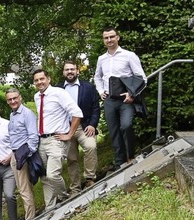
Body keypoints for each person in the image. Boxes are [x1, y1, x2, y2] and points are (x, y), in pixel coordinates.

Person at [94, 27, 147, 169]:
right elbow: (97, 77)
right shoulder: (101, 59)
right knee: (114, 131)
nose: (109, 40)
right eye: (106, 38)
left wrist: (132, 94)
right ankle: (120, 163)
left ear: (118, 37)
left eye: (112, 37)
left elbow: (142, 78)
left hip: (126, 100)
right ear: (103, 40)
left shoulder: (129, 55)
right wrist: (100, 91)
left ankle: (130, 157)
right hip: (109, 100)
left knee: (126, 125)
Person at [33, 69, 83, 210]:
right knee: (44, 177)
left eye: (42, 79)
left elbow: (77, 113)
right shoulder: (37, 96)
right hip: (42, 140)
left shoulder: (59, 93)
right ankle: (50, 207)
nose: (39, 82)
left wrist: (69, 134)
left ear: (48, 78)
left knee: (53, 174)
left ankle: (64, 198)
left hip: (56, 139)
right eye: (36, 80)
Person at [56, 61, 101, 195]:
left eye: (72, 69)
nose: (69, 72)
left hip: (84, 126)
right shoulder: (57, 90)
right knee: (71, 159)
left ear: (77, 71)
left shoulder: (88, 87)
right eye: (67, 70)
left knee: (91, 147)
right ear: (63, 72)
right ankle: (75, 188)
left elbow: (95, 108)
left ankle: (89, 179)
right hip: (66, 128)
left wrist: (93, 124)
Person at [6, 88, 38, 220]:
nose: (13, 101)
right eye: (9, 99)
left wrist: (26, 155)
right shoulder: (12, 115)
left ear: (20, 97)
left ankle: (29, 219)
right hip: (14, 154)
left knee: (24, 189)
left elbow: (33, 137)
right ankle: (29, 216)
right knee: (22, 188)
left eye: (15, 98)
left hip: (22, 154)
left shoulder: (27, 114)